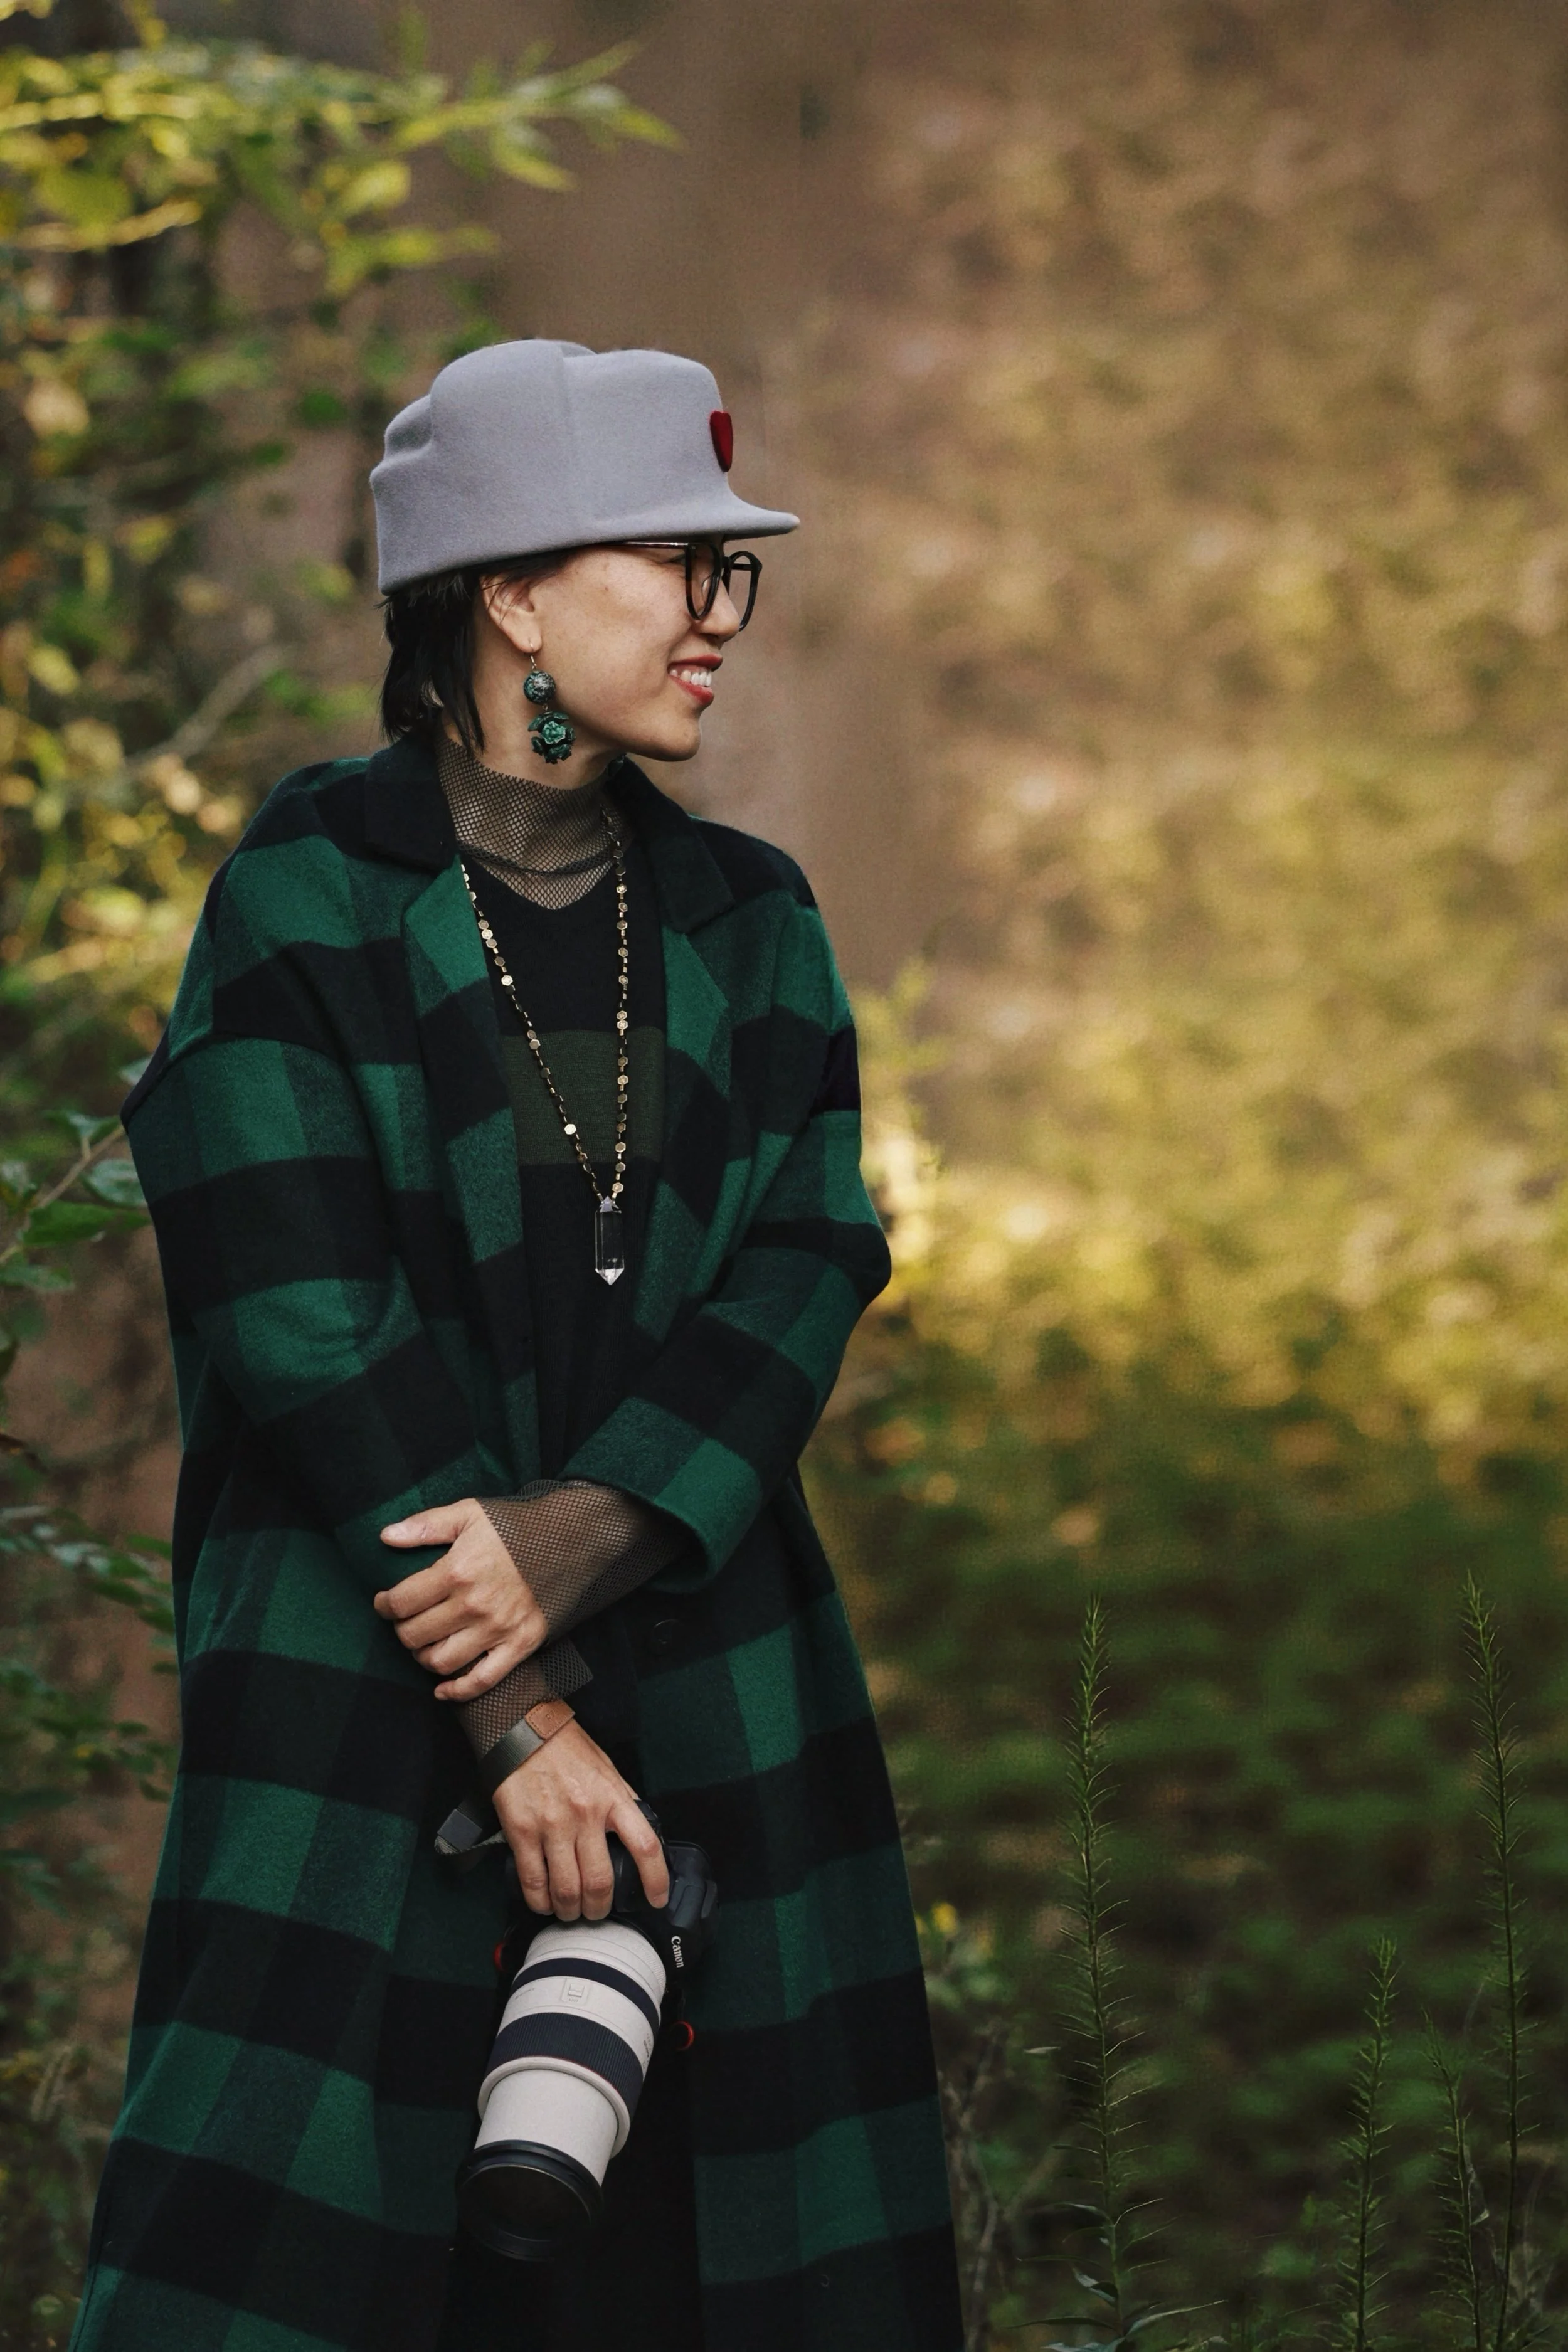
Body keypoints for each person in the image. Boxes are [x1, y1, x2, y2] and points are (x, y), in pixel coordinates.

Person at [70, 339, 963, 2352]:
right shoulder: (306, 895)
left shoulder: (748, 919)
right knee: (339, 2263)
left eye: (733, 575)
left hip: (720, 1696)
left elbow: (815, 1247)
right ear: (515, 589)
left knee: (701, 2275)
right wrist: (521, 1707)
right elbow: (294, 1311)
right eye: (681, 564)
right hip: (365, 1711)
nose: (722, 616)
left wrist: (605, 1518)